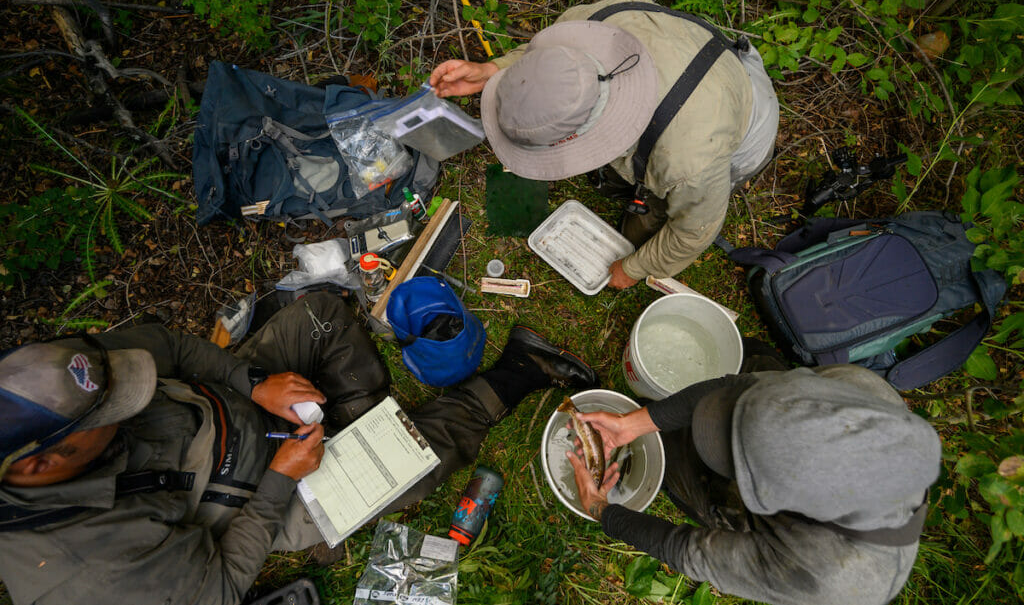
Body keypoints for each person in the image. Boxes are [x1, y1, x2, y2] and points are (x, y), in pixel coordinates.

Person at [0, 291, 597, 605]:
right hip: (247, 503)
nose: (137, 391)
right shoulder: (86, 575)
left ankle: (357, 426)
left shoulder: (56, 378)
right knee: (413, 463)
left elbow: (170, 349)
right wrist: (283, 477)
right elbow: (224, 585)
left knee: (321, 316)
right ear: (42, 463)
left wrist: (253, 382)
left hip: (230, 404)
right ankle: (521, 369)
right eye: (121, 407)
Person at [429, 0, 779, 289]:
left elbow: (693, 231)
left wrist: (632, 269)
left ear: (571, 138)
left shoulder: (686, 161)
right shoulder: (586, 23)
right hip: (694, 66)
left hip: (742, 118)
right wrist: (494, 70)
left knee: (649, 219)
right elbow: (550, 62)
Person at [565, 355, 941, 605]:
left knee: (683, 478)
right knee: (757, 359)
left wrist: (601, 509)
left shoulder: (824, 575)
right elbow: (736, 385)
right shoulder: (860, 390)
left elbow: (687, 550)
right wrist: (633, 424)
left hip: (809, 554)